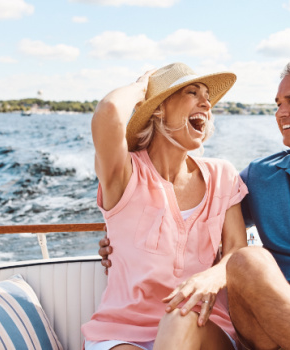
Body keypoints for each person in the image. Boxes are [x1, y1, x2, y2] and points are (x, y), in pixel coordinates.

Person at [100, 59, 290, 350]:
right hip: (269, 323)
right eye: (278, 104)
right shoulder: (260, 176)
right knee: (248, 259)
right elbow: (200, 223)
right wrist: (124, 238)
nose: (280, 113)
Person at [83, 62, 248, 350]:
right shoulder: (125, 174)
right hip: (123, 331)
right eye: (192, 92)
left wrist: (213, 275)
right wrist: (141, 88)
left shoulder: (223, 175)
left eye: (207, 96)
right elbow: (109, 112)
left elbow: (237, 250)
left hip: (202, 326)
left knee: (179, 319)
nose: (206, 103)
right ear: (159, 109)